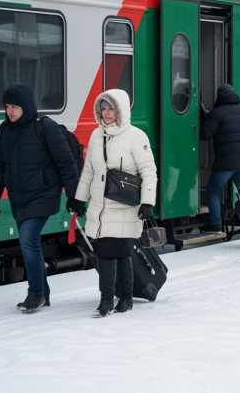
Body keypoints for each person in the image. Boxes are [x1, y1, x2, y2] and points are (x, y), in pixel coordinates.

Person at [0, 83, 82, 313]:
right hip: (19, 198)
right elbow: (0, 165)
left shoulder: (44, 127)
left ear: (26, 106)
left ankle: (36, 292)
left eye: (15, 106)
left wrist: (74, 196)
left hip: (43, 195)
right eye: (7, 106)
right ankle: (44, 294)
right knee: (30, 243)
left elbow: (66, 163)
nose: (10, 111)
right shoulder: (5, 129)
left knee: (28, 239)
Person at [75, 89, 157, 317]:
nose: (107, 112)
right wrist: (80, 199)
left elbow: (149, 172)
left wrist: (147, 202)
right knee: (117, 254)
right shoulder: (95, 135)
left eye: (111, 108)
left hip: (124, 206)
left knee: (110, 253)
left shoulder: (136, 136)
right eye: (103, 108)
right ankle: (125, 298)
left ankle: (108, 300)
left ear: (120, 110)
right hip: (100, 207)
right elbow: (89, 171)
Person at [199, 83, 240, 233]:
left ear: (219, 97)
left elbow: (205, 135)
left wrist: (204, 121)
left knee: (213, 191)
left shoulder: (217, 113)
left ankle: (216, 226)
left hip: (225, 163)